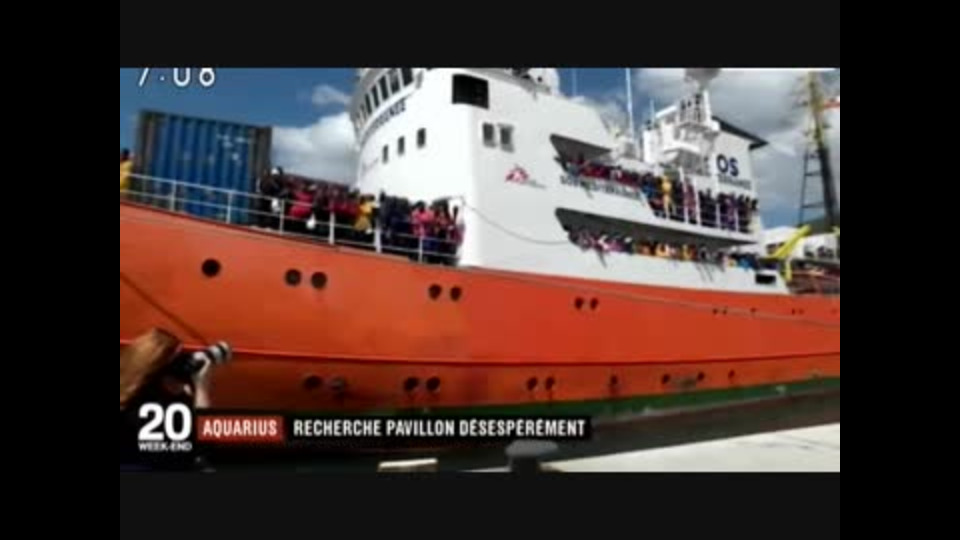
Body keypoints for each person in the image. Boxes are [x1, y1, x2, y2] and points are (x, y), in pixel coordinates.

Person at [119, 329, 218, 471]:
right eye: (179, 360)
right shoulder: (168, 406)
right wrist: (201, 389)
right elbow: (205, 442)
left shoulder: (129, 390)